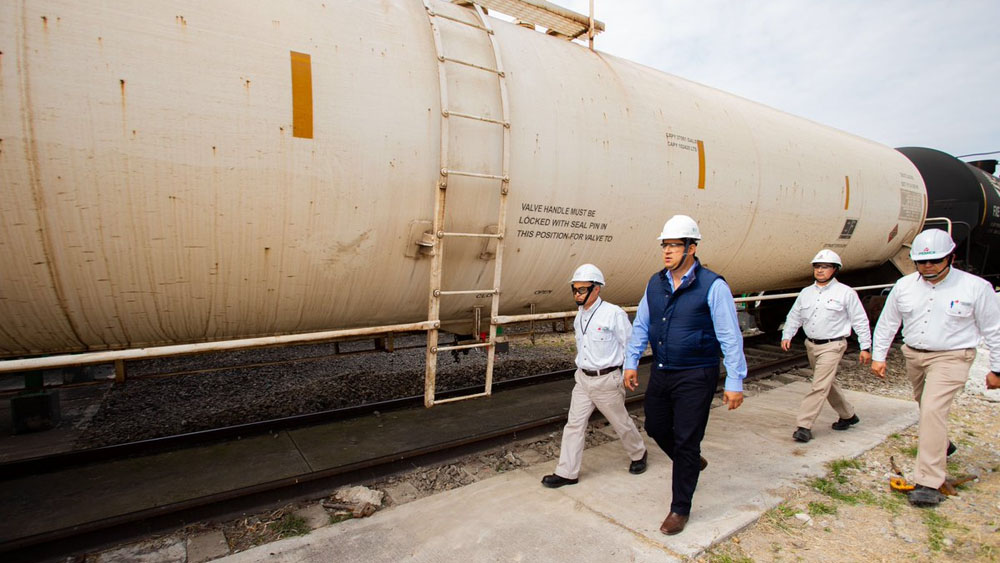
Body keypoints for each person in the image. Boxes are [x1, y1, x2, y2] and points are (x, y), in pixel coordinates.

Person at [623, 215, 747, 535]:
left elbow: (730, 336)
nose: (667, 251)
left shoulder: (713, 285)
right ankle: (690, 460)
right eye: (664, 245)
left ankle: (680, 508)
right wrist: (631, 361)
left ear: (692, 248)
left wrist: (734, 380)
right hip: (663, 370)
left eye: (675, 245)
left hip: (696, 373)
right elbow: (642, 324)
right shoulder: (655, 283)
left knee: (687, 439)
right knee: (655, 425)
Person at [871, 228, 1000, 507]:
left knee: (931, 410)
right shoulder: (904, 286)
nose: (928, 266)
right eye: (921, 261)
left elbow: (995, 329)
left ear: (950, 257)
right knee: (925, 404)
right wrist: (878, 356)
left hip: (952, 357)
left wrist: (997, 369)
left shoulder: (976, 288)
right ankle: (941, 444)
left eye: (935, 260)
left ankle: (928, 482)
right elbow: (888, 322)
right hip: (914, 356)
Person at [541, 264, 648, 488]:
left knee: (620, 422)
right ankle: (567, 472)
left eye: (582, 290)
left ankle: (638, 453)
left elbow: (630, 344)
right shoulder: (579, 315)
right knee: (574, 425)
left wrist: (630, 370)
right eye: (575, 289)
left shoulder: (613, 314)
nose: (577, 294)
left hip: (606, 380)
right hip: (583, 379)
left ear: (596, 289)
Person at [781, 249, 872, 443]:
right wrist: (787, 334)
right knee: (826, 383)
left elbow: (860, 320)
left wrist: (865, 347)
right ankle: (848, 415)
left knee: (819, 386)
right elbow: (794, 316)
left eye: (825, 267)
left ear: (835, 269)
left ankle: (804, 426)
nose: (820, 270)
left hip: (833, 345)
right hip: (811, 345)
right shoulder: (806, 293)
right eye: (817, 266)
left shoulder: (845, 293)